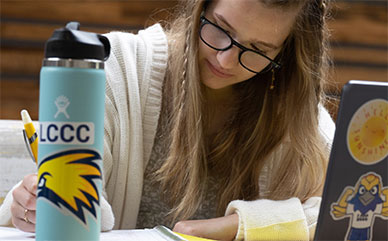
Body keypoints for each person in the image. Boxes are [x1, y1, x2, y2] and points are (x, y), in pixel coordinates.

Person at [0, 0, 336, 240]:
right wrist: (29, 204)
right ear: (199, 9)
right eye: (220, 28)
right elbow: (74, 205)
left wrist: (236, 225)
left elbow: (354, 212)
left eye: (258, 49)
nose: (225, 58)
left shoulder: (294, 112)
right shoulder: (117, 67)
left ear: (285, 55)